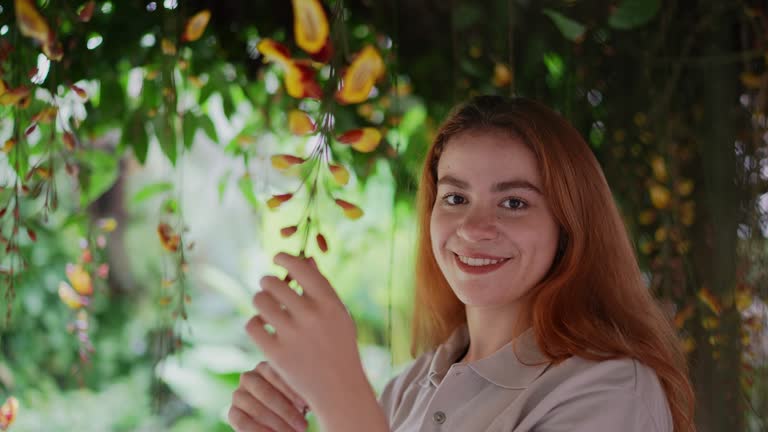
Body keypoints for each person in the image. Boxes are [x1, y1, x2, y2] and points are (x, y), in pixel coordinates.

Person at [227, 95, 696, 432]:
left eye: (513, 203)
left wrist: (340, 392)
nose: (474, 227)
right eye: (455, 197)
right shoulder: (409, 388)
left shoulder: (610, 391)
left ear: (569, 225)